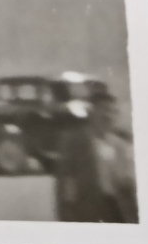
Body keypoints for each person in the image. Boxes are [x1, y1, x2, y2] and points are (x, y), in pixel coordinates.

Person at [55, 88, 137, 222]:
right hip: (88, 209)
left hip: (118, 209)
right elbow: (67, 180)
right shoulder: (75, 141)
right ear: (91, 112)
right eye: (103, 109)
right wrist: (67, 212)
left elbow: (128, 181)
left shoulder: (120, 145)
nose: (108, 115)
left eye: (112, 111)